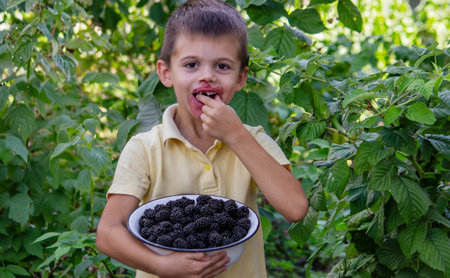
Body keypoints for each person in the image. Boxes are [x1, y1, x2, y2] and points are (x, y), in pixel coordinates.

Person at [96, 0, 309, 277]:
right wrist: (161, 265)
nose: (206, 76)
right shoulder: (145, 149)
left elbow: (295, 208)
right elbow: (108, 232)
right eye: (192, 64)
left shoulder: (251, 140)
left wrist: (235, 135)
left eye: (222, 66)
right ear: (166, 73)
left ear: (241, 78)